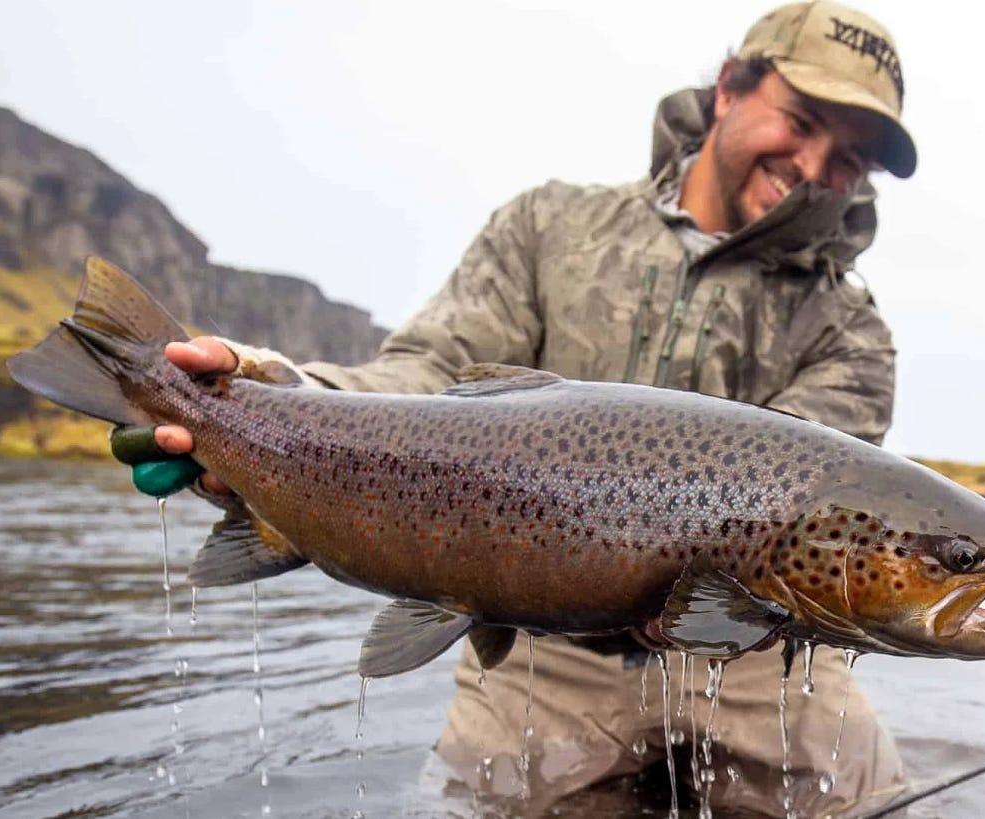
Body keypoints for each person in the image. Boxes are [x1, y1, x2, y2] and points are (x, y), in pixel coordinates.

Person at [116, 2, 917, 814]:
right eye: (802, 120)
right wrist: (270, 390)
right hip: (534, 648)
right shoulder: (550, 227)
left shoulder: (852, 330)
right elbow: (423, 381)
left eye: (851, 158)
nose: (817, 166)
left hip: (759, 653)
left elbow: (824, 530)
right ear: (726, 91)